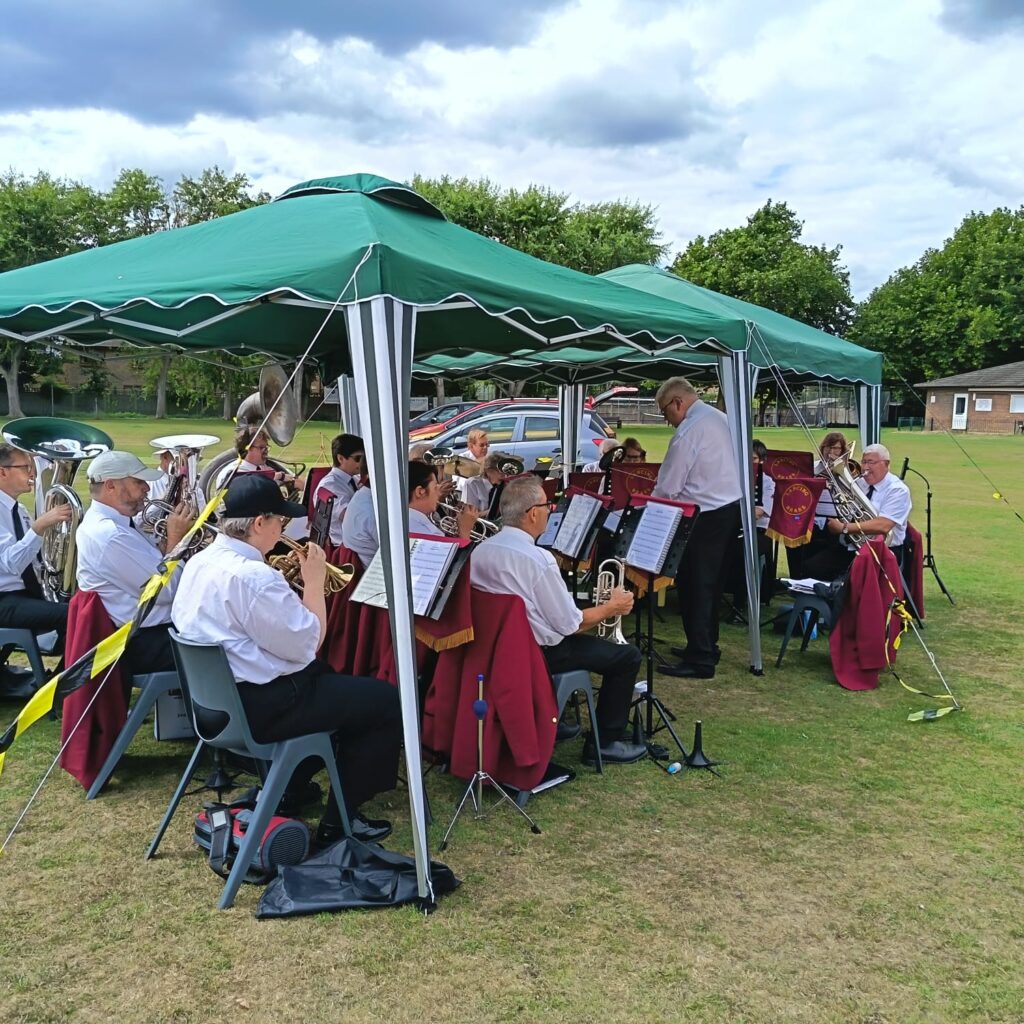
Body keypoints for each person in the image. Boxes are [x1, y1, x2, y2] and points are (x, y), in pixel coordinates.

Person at [172, 474, 401, 846]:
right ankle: (340, 821)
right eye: (280, 520)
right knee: (384, 701)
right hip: (261, 709)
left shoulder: (200, 561)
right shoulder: (255, 577)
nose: (284, 528)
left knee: (329, 679)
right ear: (259, 523)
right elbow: (308, 644)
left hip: (214, 705)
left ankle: (290, 788)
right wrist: (313, 583)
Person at [470, 475, 647, 764]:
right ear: (532, 514)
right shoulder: (538, 559)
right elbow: (571, 625)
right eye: (547, 505)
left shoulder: (481, 550)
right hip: (537, 654)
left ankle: (552, 719)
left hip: (494, 649)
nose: (550, 511)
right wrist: (612, 607)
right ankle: (605, 743)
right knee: (628, 657)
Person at [652, 377, 742, 679]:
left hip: (704, 516)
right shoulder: (722, 419)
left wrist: (650, 507)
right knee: (712, 586)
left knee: (696, 586)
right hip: (728, 510)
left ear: (678, 402)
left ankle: (701, 658)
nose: (667, 420)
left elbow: (669, 487)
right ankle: (704, 645)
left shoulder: (689, 431)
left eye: (665, 412)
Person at [75, 451, 194, 675]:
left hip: (150, 633)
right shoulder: (109, 534)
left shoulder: (120, 523)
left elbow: (154, 565)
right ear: (110, 486)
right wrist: (176, 541)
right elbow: (164, 592)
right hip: (143, 642)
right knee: (229, 646)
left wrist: (166, 546)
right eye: (138, 482)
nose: (147, 488)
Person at [0, 443, 73, 694]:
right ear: (3, 472)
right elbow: (11, 564)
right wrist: (40, 527)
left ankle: (58, 681)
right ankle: (63, 687)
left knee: (84, 603)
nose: (32, 473)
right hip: (4, 600)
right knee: (74, 615)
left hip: (22, 596)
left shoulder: (18, 510)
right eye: (25, 467)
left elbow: (36, 560)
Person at [801, 443, 912, 581]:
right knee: (810, 567)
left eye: (871, 462)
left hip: (883, 552)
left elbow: (884, 525)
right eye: (864, 462)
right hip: (852, 548)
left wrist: (844, 528)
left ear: (886, 464)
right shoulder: (859, 483)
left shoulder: (898, 490)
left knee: (849, 581)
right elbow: (847, 510)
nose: (865, 467)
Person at [408, 460, 480, 540]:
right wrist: (465, 530)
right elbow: (462, 549)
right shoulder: (428, 532)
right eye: (435, 487)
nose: (438, 493)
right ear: (420, 492)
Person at [316, 433, 365, 546]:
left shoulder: (354, 479)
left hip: (356, 540)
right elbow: (351, 518)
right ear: (341, 458)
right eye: (358, 458)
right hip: (346, 546)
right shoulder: (330, 485)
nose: (363, 463)